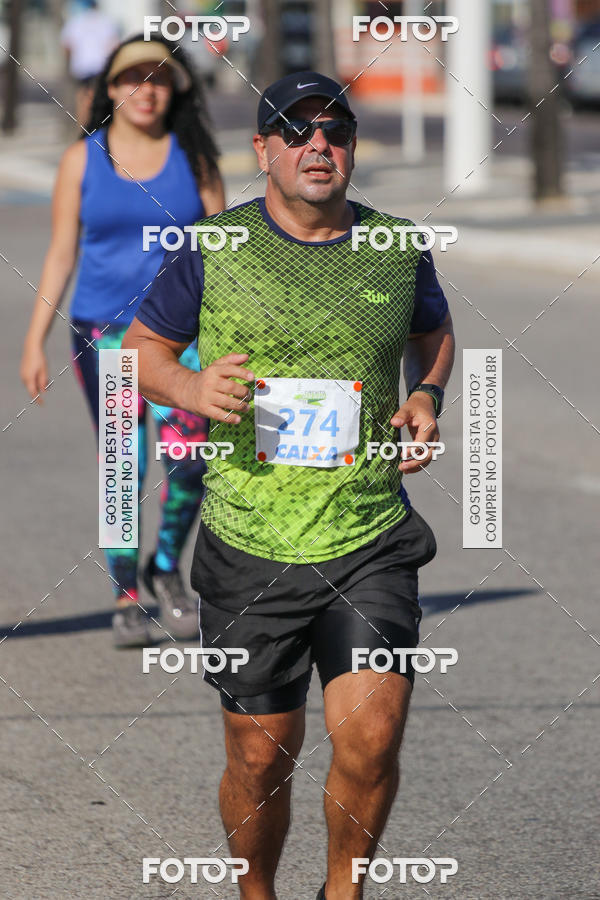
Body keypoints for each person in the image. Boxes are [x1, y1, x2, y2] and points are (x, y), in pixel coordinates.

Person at [123, 71, 455, 899]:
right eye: (297, 132)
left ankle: (344, 890)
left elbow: (435, 331)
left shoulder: (395, 244)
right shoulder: (213, 249)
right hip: (249, 544)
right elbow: (139, 353)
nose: (319, 146)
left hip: (367, 533)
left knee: (373, 738)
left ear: (350, 148)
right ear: (262, 148)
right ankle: (256, 891)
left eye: (335, 132)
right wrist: (192, 389)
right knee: (259, 755)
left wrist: (424, 395)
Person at [20, 36, 225, 648]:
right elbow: (60, 255)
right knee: (123, 469)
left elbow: (223, 252)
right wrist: (34, 342)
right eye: (132, 78)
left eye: (160, 78)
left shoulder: (197, 160)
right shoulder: (83, 160)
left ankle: (166, 569)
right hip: (104, 336)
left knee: (189, 464)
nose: (146, 89)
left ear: (177, 90)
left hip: (183, 339)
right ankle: (126, 593)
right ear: (110, 90)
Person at [60, 0, 120, 126]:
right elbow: (113, 45)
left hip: (82, 66)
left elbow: (67, 46)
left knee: (83, 98)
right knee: (99, 96)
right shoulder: (106, 21)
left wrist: (71, 60)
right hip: (101, 65)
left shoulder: (76, 21)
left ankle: (84, 128)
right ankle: (98, 126)